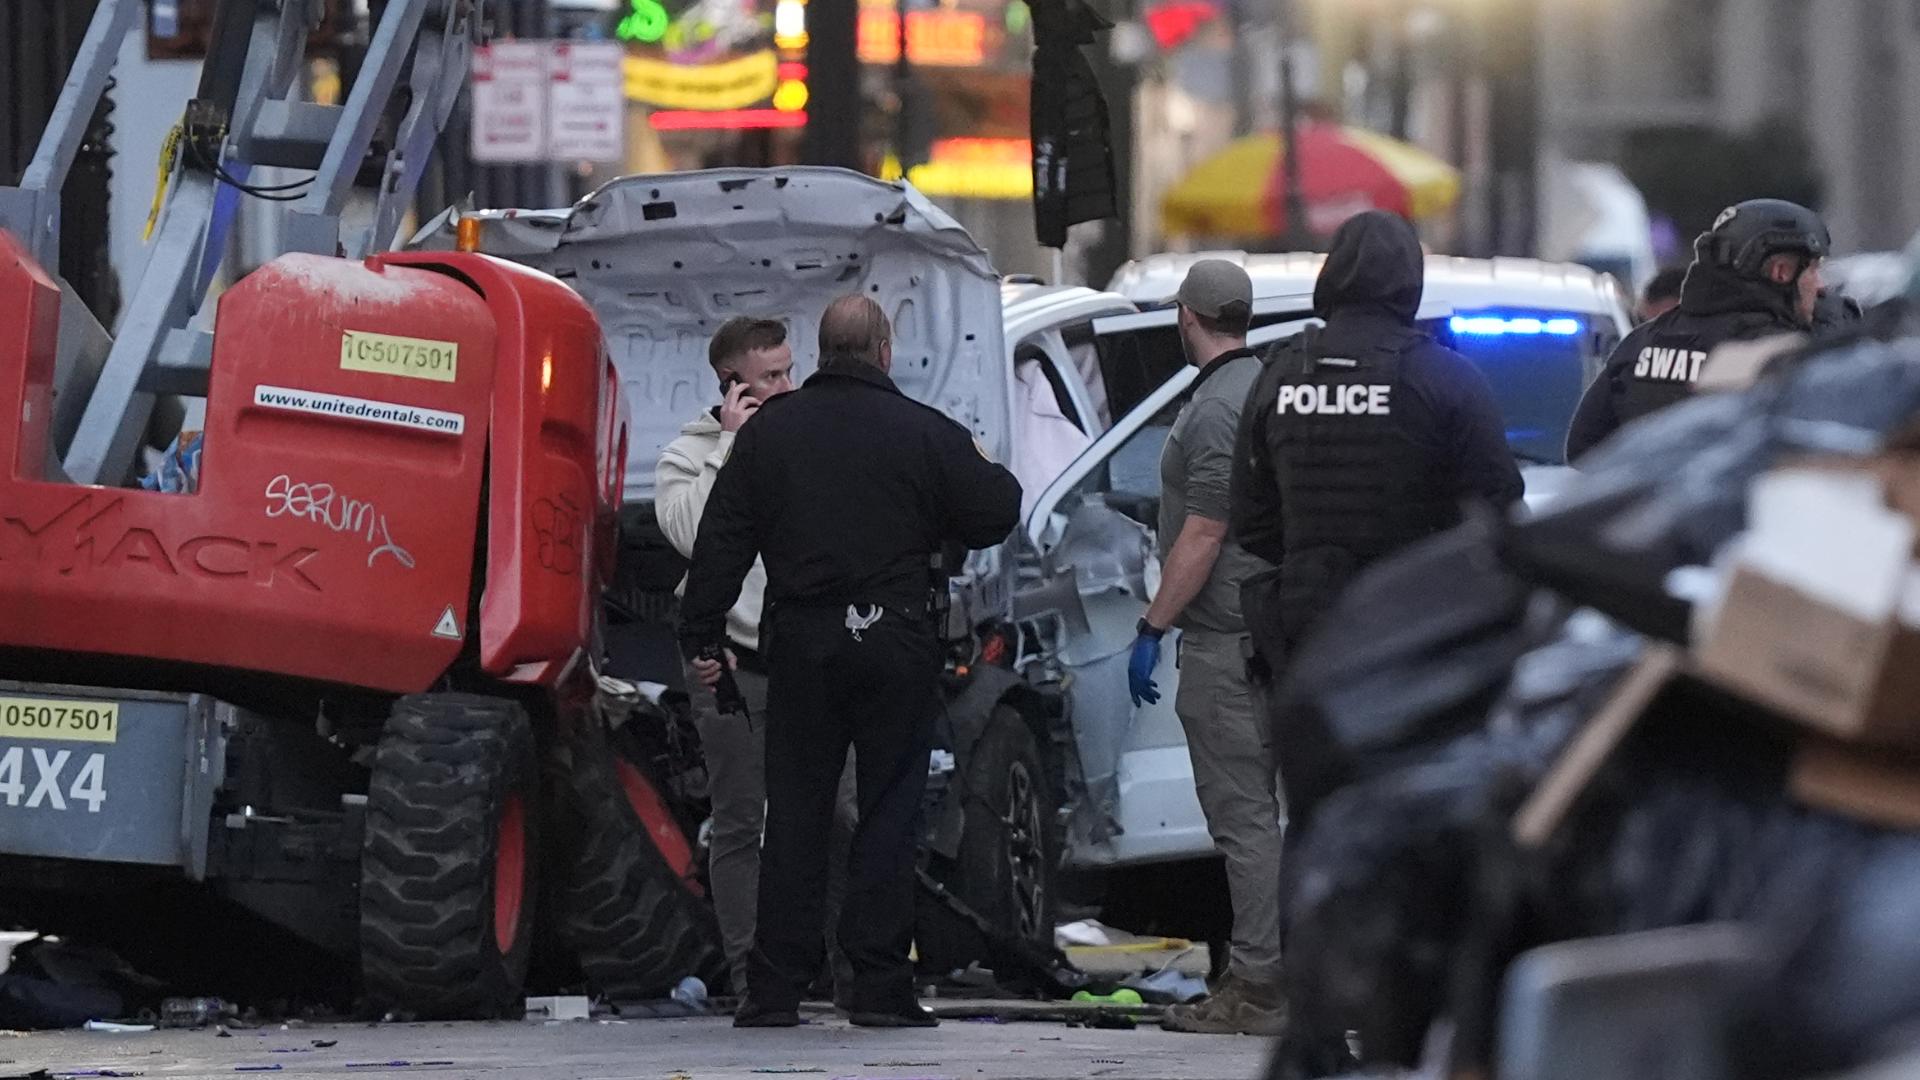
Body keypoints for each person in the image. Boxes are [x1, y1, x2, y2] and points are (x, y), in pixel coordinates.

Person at [679, 295, 1022, 1029]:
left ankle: (774, 990)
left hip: (802, 643)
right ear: (885, 352)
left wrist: (700, 638)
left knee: (795, 813)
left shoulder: (770, 437)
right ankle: (878, 985)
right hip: (896, 640)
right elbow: (998, 507)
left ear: (822, 351)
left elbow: (721, 543)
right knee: (889, 810)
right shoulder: (925, 433)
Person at [1231, 210, 1522, 820]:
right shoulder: (1446, 377)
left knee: (1314, 814)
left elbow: (1251, 519)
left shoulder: (1280, 373)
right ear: (1410, 281)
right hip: (1414, 627)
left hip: (1307, 631)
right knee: (1415, 813)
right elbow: (1500, 510)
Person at [1122, 260, 1285, 1037]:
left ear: (1186, 316)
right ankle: (1271, 972)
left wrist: (1153, 626)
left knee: (1244, 819)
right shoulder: (1265, 383)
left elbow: (1206, 529)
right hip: (1268, 628)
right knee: (1271, 817)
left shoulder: (1219, 405)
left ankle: (1257, 987)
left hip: (1228, 636)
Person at [1566, 199, 1831, 461]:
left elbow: (1583, 451)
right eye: (1814, 269)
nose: (1821, 286)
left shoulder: (1641, 343)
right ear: (1781, 271)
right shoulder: (1783, 357)